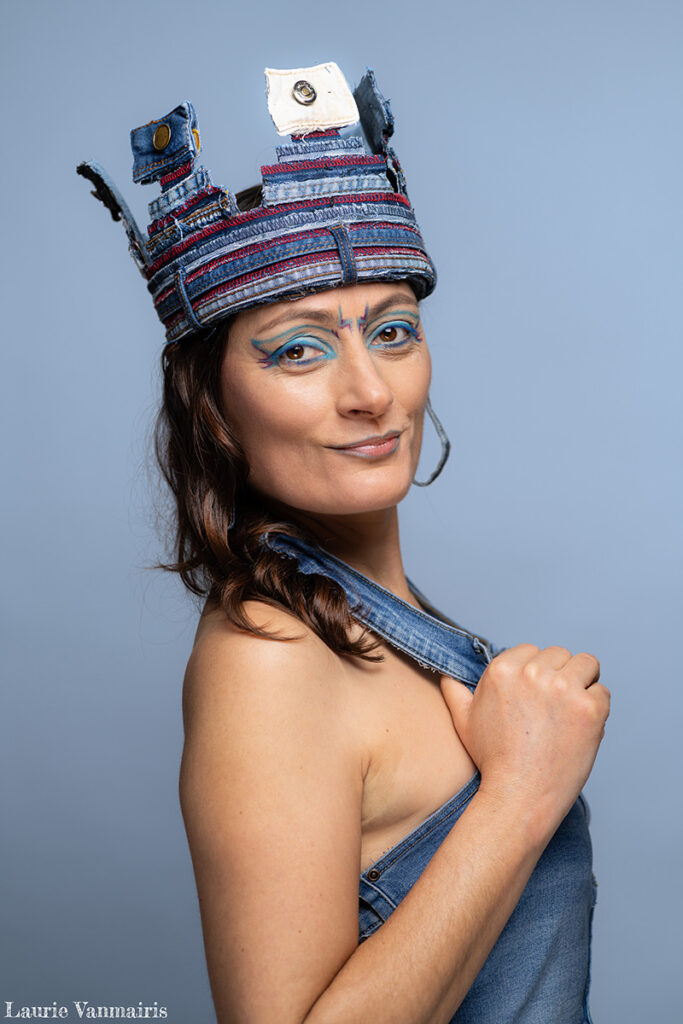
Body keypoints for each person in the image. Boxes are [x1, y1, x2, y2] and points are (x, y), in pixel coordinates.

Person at [78, 63, 610, 1024]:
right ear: (213, 402)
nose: (370, 392)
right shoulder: (270, 660)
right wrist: (521, 797)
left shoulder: (381, 618)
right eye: (299, 349)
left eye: (394, 333)